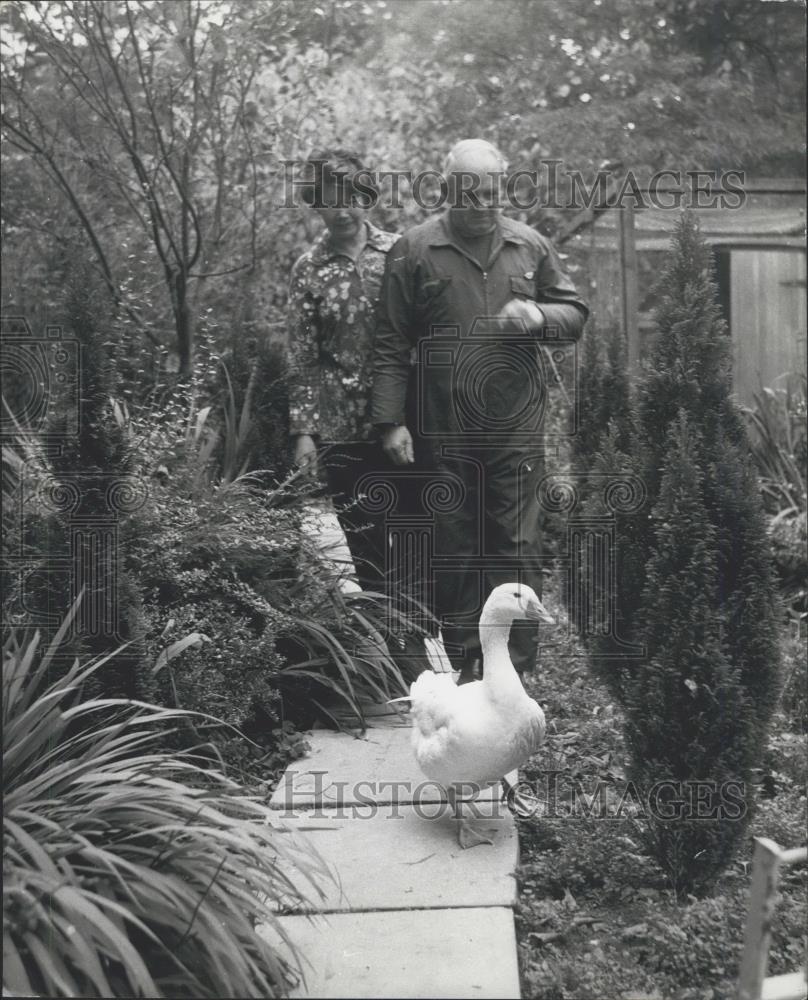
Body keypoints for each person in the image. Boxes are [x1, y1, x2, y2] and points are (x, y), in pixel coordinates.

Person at [372, 138, 589, 684]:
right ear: (447, 190)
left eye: (492, 191)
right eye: (470, 192)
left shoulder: (529, 245)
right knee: (455, 543)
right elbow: (391, 342)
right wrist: (390, 421)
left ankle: (514, 671)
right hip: (442, 426)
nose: (483, 202)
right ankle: (470, 661)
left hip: (515, 426)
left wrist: (539, 315)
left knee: (518, 545)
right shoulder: (413, 250)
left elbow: (575, 314)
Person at [287, 147, 399, 594]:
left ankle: (425, 639)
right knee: (368, 548)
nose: (342, 209)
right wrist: (304, 432)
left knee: (415, 538)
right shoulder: (308, 269)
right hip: (343, 433)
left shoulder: (399, 252)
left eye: (351, 197)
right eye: (330, 200)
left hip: (403, 423)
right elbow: (303, 356)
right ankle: (393, 653)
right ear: (317, 204)